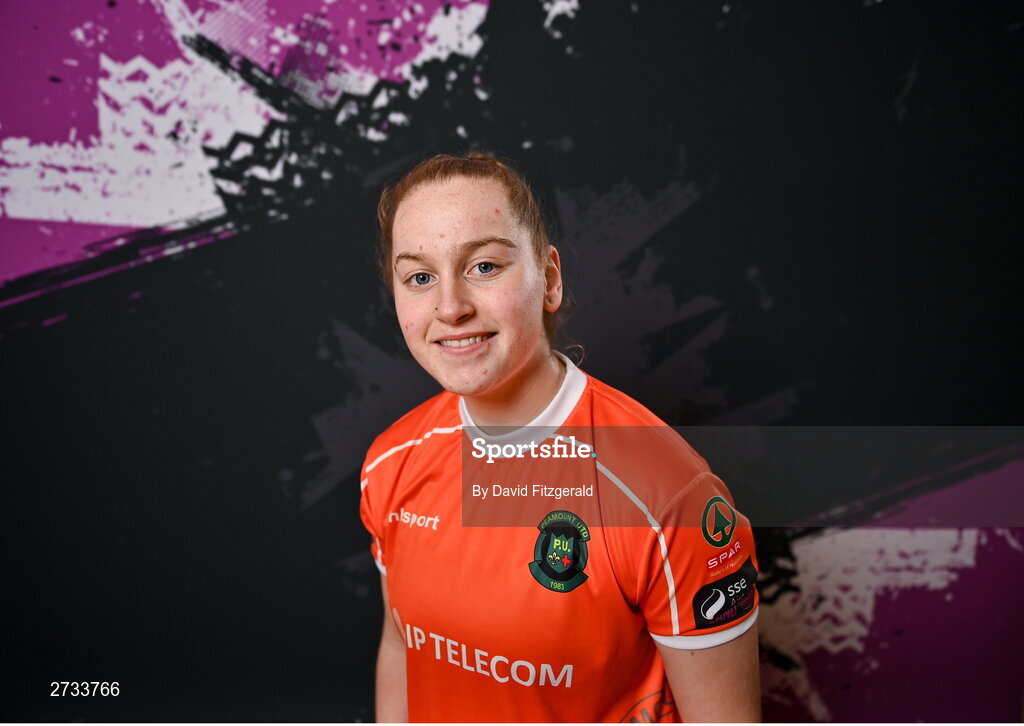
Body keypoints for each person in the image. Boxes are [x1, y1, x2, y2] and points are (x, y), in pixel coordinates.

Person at [359, 151, 761, 722]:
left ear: (548, 278)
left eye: (484, 267)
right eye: (420, 277)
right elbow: (400, 648)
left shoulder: (667, 494)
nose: (450, 307)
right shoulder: (390, 462)